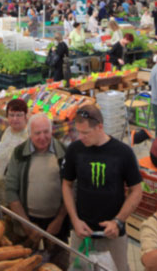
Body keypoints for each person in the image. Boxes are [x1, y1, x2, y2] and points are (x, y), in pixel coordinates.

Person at [61, 105, 142, 271]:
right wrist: (74, 220)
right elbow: (67, 185)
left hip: (113, 237)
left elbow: (136, 191)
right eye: (78, 132)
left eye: (85, 133)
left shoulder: (123, 152)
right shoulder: (74, 150)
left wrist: (118, 221)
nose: (80, 137)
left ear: (100, 127)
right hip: (81, 234)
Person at [5, 114, 70, 269]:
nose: (42, 137)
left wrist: (59, 220)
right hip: (27, 221)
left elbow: (72, 190)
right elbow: (11, 190)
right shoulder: (19, 154)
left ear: (52, 130)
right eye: (37, 133)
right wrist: (27, 225)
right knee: (27, 264)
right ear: (29, 133)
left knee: (58, 265)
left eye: (46, 132)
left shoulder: (64, 152)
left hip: (57, 224)